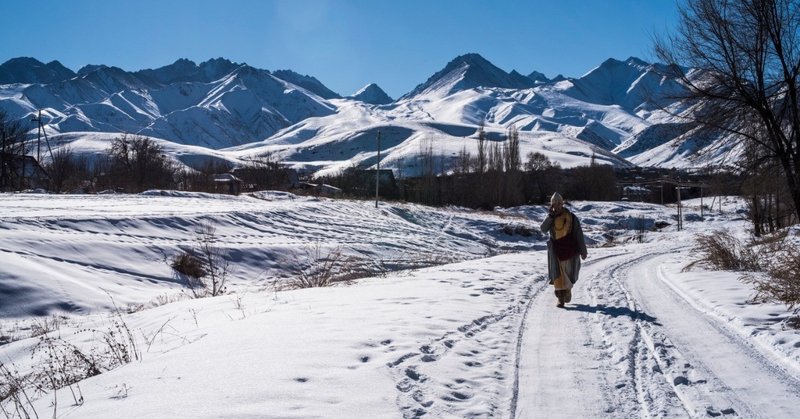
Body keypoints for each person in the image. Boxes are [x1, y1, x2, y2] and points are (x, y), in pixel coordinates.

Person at [540, 192, 587, 308]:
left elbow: (578, 234)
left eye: (559, 203)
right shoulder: (551, 217)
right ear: (552, 205)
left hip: (569, 249)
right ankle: (560, 299)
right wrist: (550, 217)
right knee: (558, 275)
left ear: (562, 203)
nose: (557, 206)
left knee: (568, 273)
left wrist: (583, 250)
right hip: (556, 250)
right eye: (554, 204)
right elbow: (543, 229)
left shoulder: (571, 217)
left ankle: (567, 290)